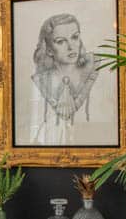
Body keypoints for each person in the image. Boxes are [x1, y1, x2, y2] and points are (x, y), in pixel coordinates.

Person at [29, 13, 98, 145]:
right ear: (49, 50)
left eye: (75, 37)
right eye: (60, 41)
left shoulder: (94, 65)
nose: (71, 47)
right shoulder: (42, 80)